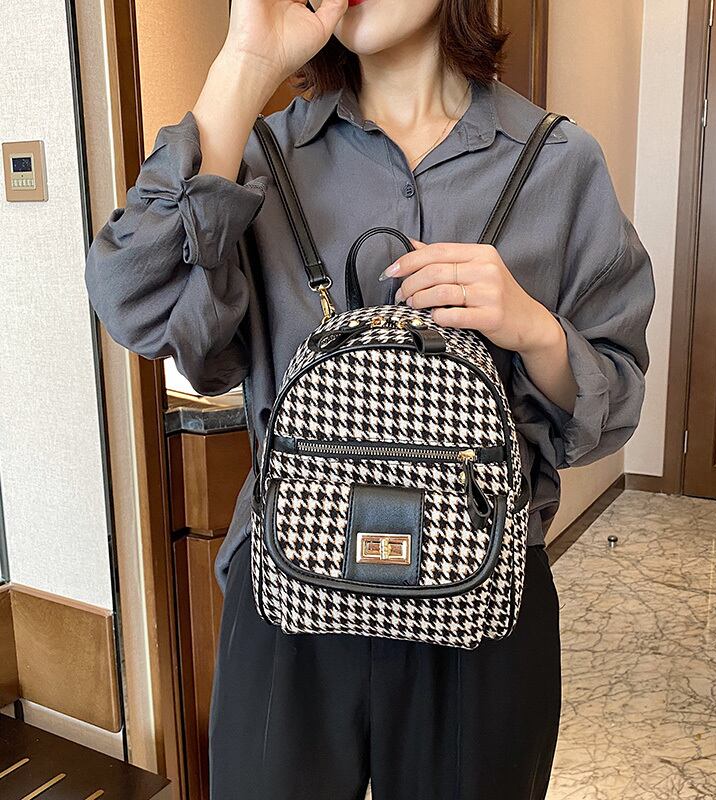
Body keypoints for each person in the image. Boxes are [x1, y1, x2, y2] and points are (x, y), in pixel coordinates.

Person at [84, 0, 656, 797]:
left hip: (485, 595)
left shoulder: (558, 162)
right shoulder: (257, 155)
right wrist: (247, 62)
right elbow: (132, 300)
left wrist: (534, 330)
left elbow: (613, 401)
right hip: (289, 588)